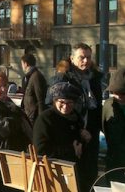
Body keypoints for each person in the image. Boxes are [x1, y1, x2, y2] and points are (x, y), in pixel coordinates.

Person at [46, 43, 103, 191]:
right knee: (72, 179)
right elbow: (53, 109)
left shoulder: (94, 78)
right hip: (70, 135)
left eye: (88, 57)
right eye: (82, 57)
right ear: (72, 58)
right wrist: (78, 128)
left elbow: (97, 109)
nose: (86, 61)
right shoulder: (62, 79)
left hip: (91, 135)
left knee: (90, 176)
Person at [34, 82, 91, 191]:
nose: (65, 106)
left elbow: (78, 145)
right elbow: (41, 150)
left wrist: (85, 140)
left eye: (70, 103)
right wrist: (70, 150)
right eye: (61, 102)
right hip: (54, 173)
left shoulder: (76, 117)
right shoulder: (46, 119)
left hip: (76, 171)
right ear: (55, 101)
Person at [0, 71, 33, 178]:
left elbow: (23, 118)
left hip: (10, 154)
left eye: (5, 85)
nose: (4, 89)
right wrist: (18, 118)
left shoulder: (7, 102)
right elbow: (5, 128)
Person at [20, 54, 48, 124]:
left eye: (22, 64)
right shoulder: (28, 77)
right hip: (28, 115)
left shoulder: (36, 76)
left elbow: (40, 99)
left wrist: (41, 119)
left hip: (34, 117)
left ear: (25, 64)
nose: (22, 66)